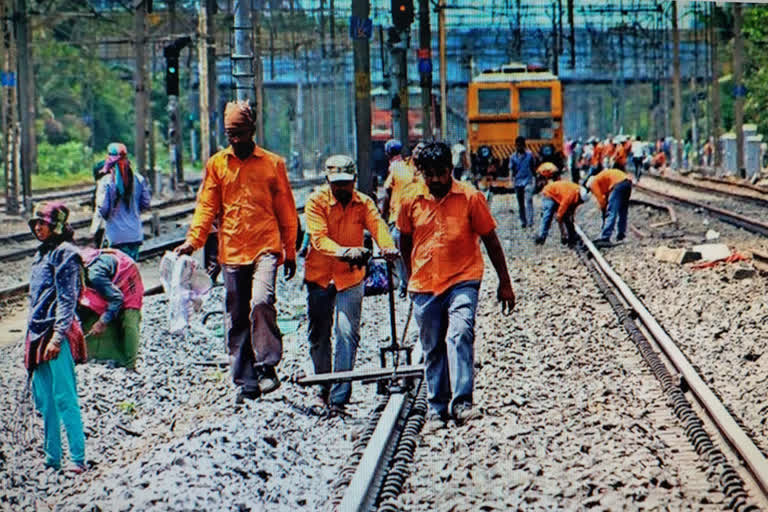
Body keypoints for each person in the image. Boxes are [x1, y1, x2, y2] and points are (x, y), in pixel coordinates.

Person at [175, 100, 299, 405]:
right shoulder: (217, 165)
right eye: (231, 133)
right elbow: (207, 207)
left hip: (265, 247)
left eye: (240, 132)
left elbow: (286, 210)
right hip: (231, 250)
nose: (236, 139)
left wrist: (291, 250)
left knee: (261, 301)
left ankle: (267, 364)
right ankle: (245, 381)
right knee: (235, 317)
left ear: (252, 130)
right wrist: (194, 241)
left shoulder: (272, 164)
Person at [397, 142, 515, 429]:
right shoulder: (410, 199)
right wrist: (409, 275)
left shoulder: (471, 198)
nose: (436, 180)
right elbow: (404, 239)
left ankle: (462, 402)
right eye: (430, 174)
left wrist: (505, 283)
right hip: (425, 282)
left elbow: (490, 240)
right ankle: (437, 407)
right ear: (421, 173)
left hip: (463, 278)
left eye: (441, 173)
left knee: (460, 333)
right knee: (432, 345)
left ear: (451, 170)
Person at [304, 155, 399, 415]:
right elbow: (319, 240)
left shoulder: (363, 203)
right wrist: (347, 252)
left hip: (350, 277)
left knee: (347, 333)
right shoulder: (315, 203)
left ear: (354, 181)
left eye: (347, 183)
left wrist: (387, 246)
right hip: (320, 276)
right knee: (319, 336)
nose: (342, 189)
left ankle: (339, 396)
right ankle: (322, 387)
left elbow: (378, 225)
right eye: (337, 184)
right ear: (328, 182)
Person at [25, 201, 87, 474]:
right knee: (45, 400)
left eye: (44, 223)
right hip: (37, 334)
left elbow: (67, 299)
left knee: (64, 396)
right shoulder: (41, 254)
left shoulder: (66, 255)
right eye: (36, 223)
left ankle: (78, 458)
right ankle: (53, 457)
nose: (39, 228)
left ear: (57, 227)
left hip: (54, 334)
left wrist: (57, 337)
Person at [77, 247, 144, 370]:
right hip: (109, 282)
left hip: (127, 277)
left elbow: (117, 298)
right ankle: (106, 355)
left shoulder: (95, 275)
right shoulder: (75, 271)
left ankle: (130, 365)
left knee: (129, 320)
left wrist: (103, 322)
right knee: (95, 310)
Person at [98, 143, 152, 260]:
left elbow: (103, 209)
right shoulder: (139, 178)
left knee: (117, 274)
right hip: (134, 235)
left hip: (115, 236)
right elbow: (146, 203)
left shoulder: (106, 182)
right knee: (129, 272)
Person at [382, 141, 421, 298]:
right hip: (406, 216)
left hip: (400, 216)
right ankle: (409, 282)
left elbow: (386, 193)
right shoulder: (403, 168)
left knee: (398, 251)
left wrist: (383, 215)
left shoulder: (395, 167)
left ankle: (407, 283)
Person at [534, 180, 590, 247]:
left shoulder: (577, 195)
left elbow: (572, 208)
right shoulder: (571, 195)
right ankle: (541, 237)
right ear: (579, 197)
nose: (581, 203)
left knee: (567, 218)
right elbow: (563, 206)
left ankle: (570, 237)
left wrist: (571, 216)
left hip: (559, 195)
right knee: (548, 215)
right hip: (549, 193)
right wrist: (559, 217)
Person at [587, 168, 633, 247]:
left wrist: (604, 211)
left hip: (618, 184)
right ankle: (621, 235)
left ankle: (605, 237)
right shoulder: (602, 179)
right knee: (623, 211)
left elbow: (601, 201)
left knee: (612, 212)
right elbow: (607, 196)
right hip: (627, 183)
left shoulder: (593, 184)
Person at [508, 135, 536, 228]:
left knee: (528, 200)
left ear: (524, 145)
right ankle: (523, 221)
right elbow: (511, 169)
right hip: (518, 182)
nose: (520, 147)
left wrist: (534, 179)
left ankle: (530, 221)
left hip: (528, 180)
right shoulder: (512, 157)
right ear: (515, 146)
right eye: (518, 145)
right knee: (520, 203)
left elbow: (533, 167)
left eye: (521, 145)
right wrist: (511, 179)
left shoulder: (530, 155)